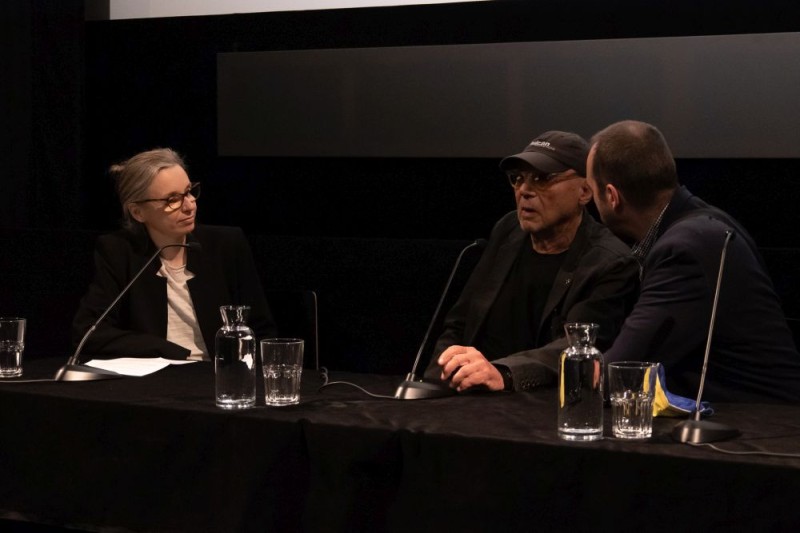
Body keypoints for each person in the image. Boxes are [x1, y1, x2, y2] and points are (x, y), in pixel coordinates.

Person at [587, 120, 800, 403]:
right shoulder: (699, 224)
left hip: (762, 429)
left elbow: (620, 373)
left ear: (612, 197)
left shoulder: (685, 250)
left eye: (591, 189)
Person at [424, 131, 639, 392]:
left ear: (584, 191)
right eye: (518, 179)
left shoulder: (609, 262)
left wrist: (503, 373)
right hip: (473, 397)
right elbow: (460, 324)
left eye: (543, 178)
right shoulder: (507, 231)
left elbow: (577, 348)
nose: (525, 190)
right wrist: (438, 378)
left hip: (545, 407)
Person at [72, 148, 275, 361]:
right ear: (138, 212)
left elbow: (261, 329)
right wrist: (164, 349)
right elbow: (89, 333)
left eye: (188, 191)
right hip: (153, 381)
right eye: (172, 199)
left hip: (220, 378)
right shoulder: (118, 251)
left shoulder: (225, 244)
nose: (189, 205)